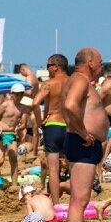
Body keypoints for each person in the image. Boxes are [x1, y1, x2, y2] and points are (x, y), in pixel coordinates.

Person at [62, 48, 109, 222]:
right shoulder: (80, 81)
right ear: (90, 63)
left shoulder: (76, 80)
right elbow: (70, 105)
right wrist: (83, 132)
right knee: (80, 200)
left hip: (81, 142)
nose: (101, 66)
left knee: (78, 198)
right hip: (82, 143)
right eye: (99, 62)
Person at [31, 54, 69, 206]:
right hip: (69, 126)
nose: (46, 69)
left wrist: (40, 122)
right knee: (73, 167)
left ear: (56, 66)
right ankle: (77, 202)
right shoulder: (73, 82)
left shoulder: (48, 84)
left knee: (53, 169)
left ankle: (56, 205)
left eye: (47, 66)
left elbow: (35, 103)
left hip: (52, 126)